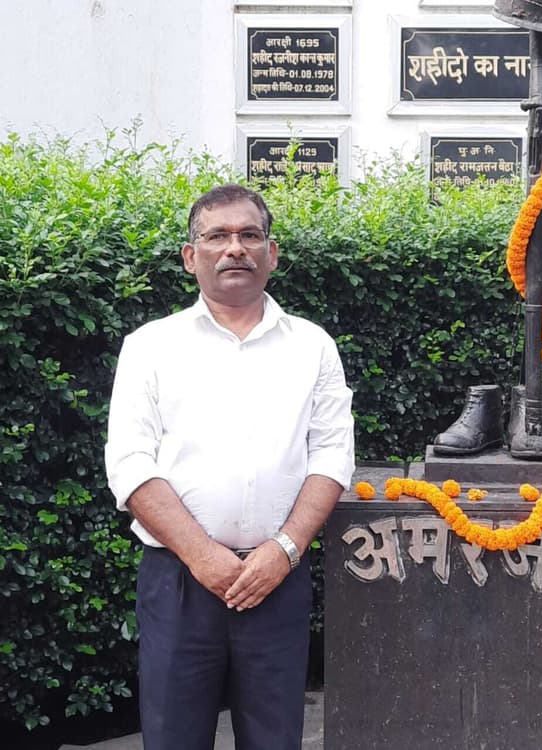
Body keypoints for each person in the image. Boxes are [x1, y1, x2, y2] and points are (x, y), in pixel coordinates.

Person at [105, 184, 355, 750]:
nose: (235, 248)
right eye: (217, 236)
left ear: (272, 253)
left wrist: (284, 550)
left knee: (274, 740)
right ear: (190, 256)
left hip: (277, 579)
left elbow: (332, 455)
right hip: (178, 583)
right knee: (173, 739)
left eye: (249, 235)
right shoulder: (150, 346)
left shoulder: (312, 346)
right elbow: (130, 462)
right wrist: (202, 556)